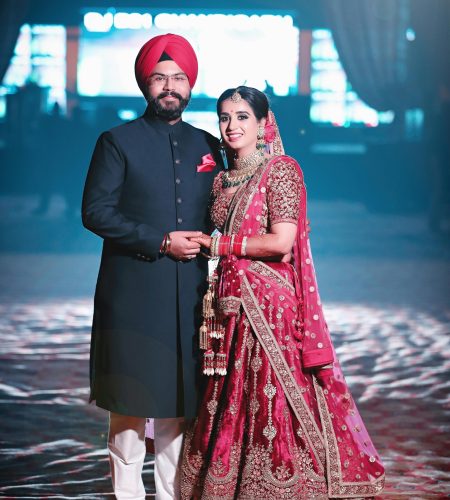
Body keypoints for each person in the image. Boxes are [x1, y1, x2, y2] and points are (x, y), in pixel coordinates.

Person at [180, 86, 385, 498]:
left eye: (242, 117)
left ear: (262, 124)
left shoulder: (281, 170)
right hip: (229, 304)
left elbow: (280, 242)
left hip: (270, 306)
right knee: (231, 392)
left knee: (272, 397)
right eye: (224, 117)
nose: (232, 125)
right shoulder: (221, 179)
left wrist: (219, 245)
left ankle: (286, 483)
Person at [82, 33, 221, 499]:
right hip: (133, 292)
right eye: (159, 78)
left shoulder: (208, 144)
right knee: (128, 402)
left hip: (190, 296)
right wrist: (161, 241)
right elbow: (96, 212)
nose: (169, 86)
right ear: (145, 84)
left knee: (178, 407)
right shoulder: (116, 141)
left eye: (178, 78)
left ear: (190, 84)